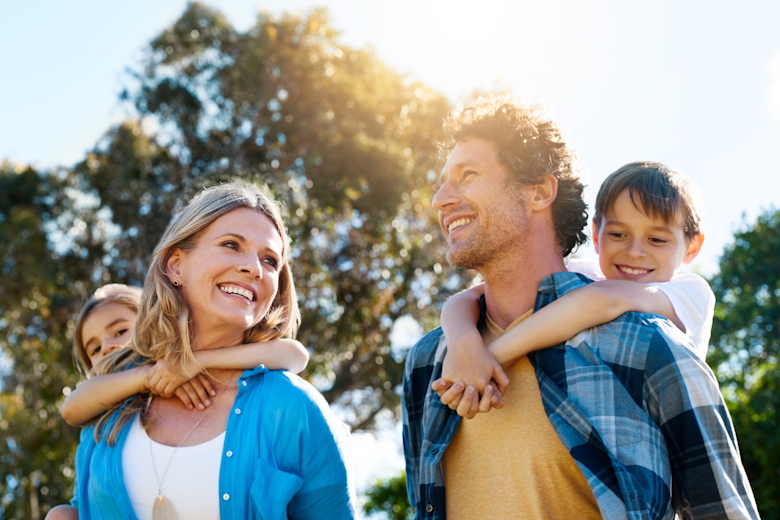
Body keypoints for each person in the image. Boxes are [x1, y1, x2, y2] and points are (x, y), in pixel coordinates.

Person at [402, 95, 758, 519]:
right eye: (443, 181)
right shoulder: (430, 362)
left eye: (468, 175)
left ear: (539, 191)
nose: (440, 198)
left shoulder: (646, 345)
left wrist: (491, 356)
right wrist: (463, 341)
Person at [64, 183, 355, 519]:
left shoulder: (293, 409)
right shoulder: (111, 413)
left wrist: (191, 363)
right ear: (175, 265)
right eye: (231, 245)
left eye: (270, 260)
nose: (254, 268)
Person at [434, 162, 715, 416]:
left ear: (692, 247)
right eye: (618, 235)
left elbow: (603, 300)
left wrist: (491, 358)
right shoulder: (586, 275)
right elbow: (468, 297)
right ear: (596, 235)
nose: (635, 251)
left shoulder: (690, 294)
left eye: (656, 239)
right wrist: (463, 344)